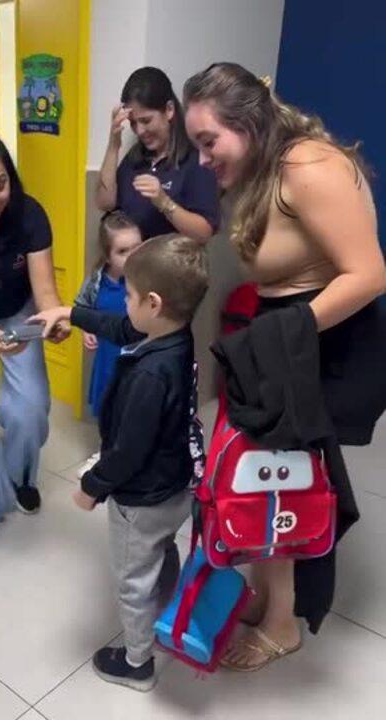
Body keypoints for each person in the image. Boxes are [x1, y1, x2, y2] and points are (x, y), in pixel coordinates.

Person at [184, 63, 386, 671]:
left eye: (207, 141)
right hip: (281, 339)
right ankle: (272, 597)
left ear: (247, 124)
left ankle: (282, 623)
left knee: (281, 480)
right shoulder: (259, 170)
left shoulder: (310, 168)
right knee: (267, 476)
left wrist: (284, 335)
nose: (202, 159)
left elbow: (370, 274)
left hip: (317, 341)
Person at [30, 234, 208, 691]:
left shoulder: (151, 374)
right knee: (163, 547)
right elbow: (122, 329)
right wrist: (71, 312)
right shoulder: (175, 333)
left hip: (141, 497)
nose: (123, 302)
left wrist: (93, 486)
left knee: (132, 578)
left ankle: (136, 662)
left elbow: (129, 450)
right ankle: (166, 599)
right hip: (175, 484)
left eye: (128, 295)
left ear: (152, 302)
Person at [0, 126, 68, 533]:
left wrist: (55, 320)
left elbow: (45, 292)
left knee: (30, 409)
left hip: (17, 313)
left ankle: (19, 478)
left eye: (0, 185)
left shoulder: (29, 214)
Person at [96, 66, 220, 243]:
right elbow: (105, 203)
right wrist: (113, 145)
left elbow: (204, 233)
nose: (139, 131)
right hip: (131, 267)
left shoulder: (196, 160)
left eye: (146, 121)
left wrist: (164, 203)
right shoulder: (136, 157)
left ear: (169, 110)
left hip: (170, 267)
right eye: (133, 123)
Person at [75, 210, 142, 478]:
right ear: (107, 255)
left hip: (137, 360)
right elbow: (81, 308)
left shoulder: (146, 278)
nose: (132, 256)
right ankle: (106, 453)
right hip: (107, 359)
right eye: (123, 251)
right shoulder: (95, 282)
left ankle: (130, 459)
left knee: (133, 411)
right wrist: (85, 329)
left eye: (138, 247)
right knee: (106, 408)